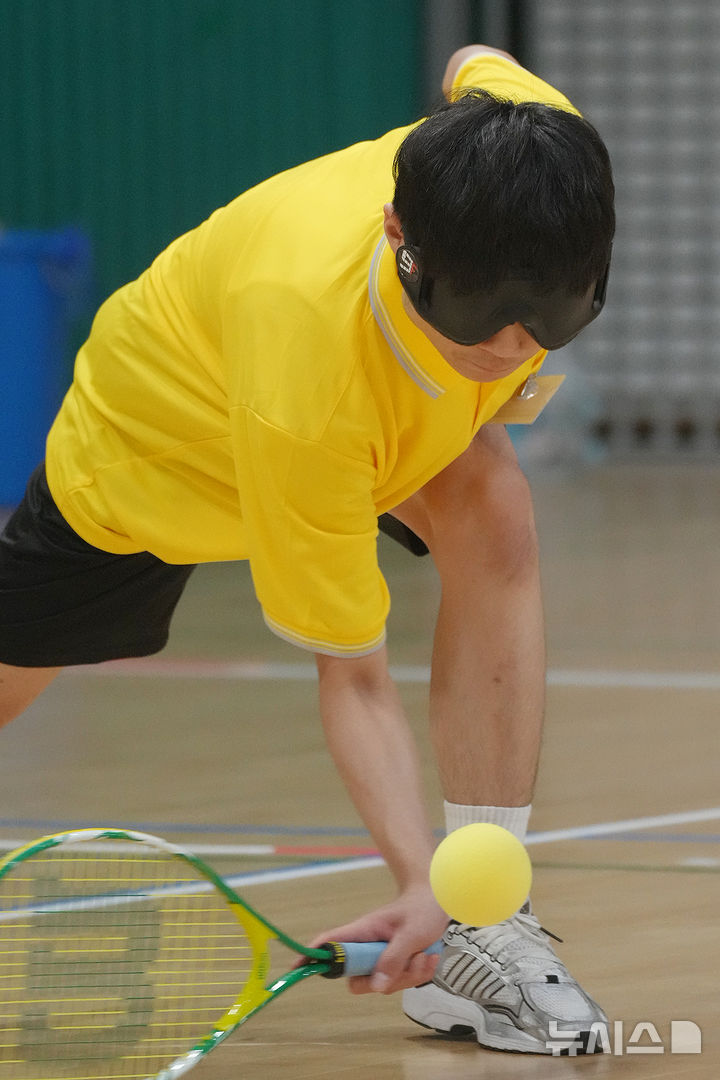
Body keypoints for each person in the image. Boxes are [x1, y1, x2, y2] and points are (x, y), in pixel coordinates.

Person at [0, 45, 614, 1053]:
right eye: (476, 313)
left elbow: (476, 60)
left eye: (549, 315)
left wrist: (451, 895)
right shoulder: (307, 382)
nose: (512, 348)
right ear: (399, 237)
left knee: (495, 509)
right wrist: (414, 877)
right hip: (160, 453)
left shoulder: (539, 147)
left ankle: (486, 920)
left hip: (374, 415)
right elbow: (355, 680)